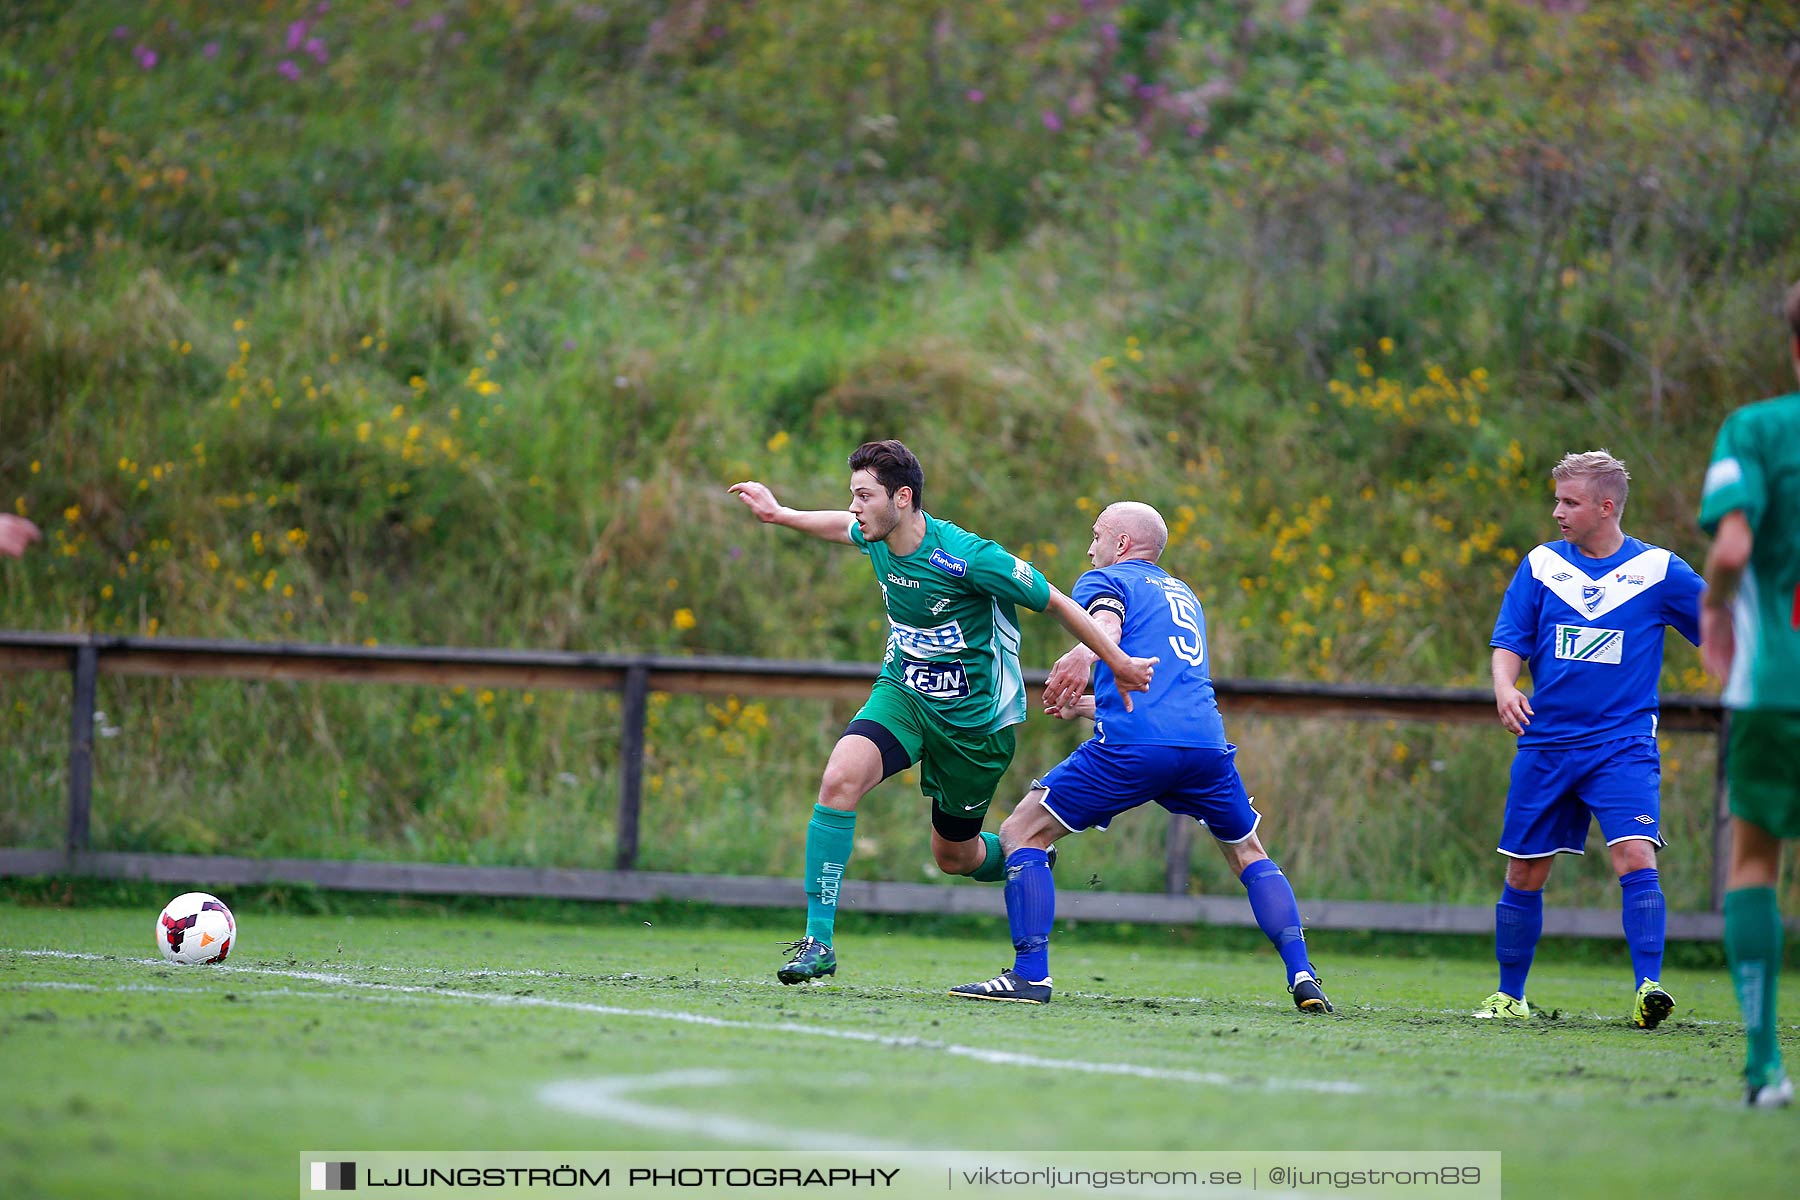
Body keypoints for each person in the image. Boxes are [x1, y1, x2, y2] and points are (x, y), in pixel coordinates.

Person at [730, 441, 1157, 985]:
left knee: (954, 857)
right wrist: (780, 513)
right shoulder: (875, 533)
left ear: (902, 499)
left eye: (865, 496)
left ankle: (1024, 861)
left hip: (975, 726)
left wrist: (1115, 660)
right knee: (839, 779)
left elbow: (1054, 600)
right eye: (853, 496)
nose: (856, 508)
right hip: (903, 695)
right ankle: (819, 942)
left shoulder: (969, 557)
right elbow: (842, 527)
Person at [946, 501, 1333, 1013]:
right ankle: (1303, 974)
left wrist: (1085, 652)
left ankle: (1029, 975)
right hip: (1205, 748)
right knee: (1249, 854)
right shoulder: (1183, 594)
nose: (1090, 548)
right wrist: (1090, 706)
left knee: (1022, 832)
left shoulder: (1106, 579)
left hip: (1136, 748)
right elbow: (1160, 688)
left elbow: (1105, 625)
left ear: (1122, 544)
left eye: (1097, 535)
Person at [1480, 450, 1704, 1027]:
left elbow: (1721, 627)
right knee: (1525, 872)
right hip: (1546, 743)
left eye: (1569, 501)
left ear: (1606, 508)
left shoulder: (1658, 572)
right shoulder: (1541, 566)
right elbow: (1510, 640)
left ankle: (1648, 988)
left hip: (1622, 745)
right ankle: (1510, 995)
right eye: (1556, 499)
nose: (1557, 511)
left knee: (1635, 855)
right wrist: (1506, 686)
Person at [1697, 278, 1800, 1108]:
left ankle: (1766, 1066)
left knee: (1757, 862)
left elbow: (1732, 544)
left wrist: (1712, 608)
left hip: (1776, 689)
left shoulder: (1758, 430)